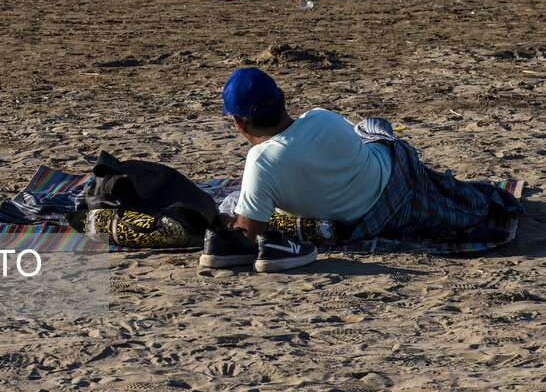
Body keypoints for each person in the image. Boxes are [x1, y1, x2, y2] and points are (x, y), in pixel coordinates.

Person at [200, 67, 525, 271]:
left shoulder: (261, 164)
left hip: (371, 220)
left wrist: (227, 220)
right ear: (282, 97)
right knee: (372, 127)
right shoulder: (320, 116)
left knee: (231, 202)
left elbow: (247, 230)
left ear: (238, 122)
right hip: (396, 168)